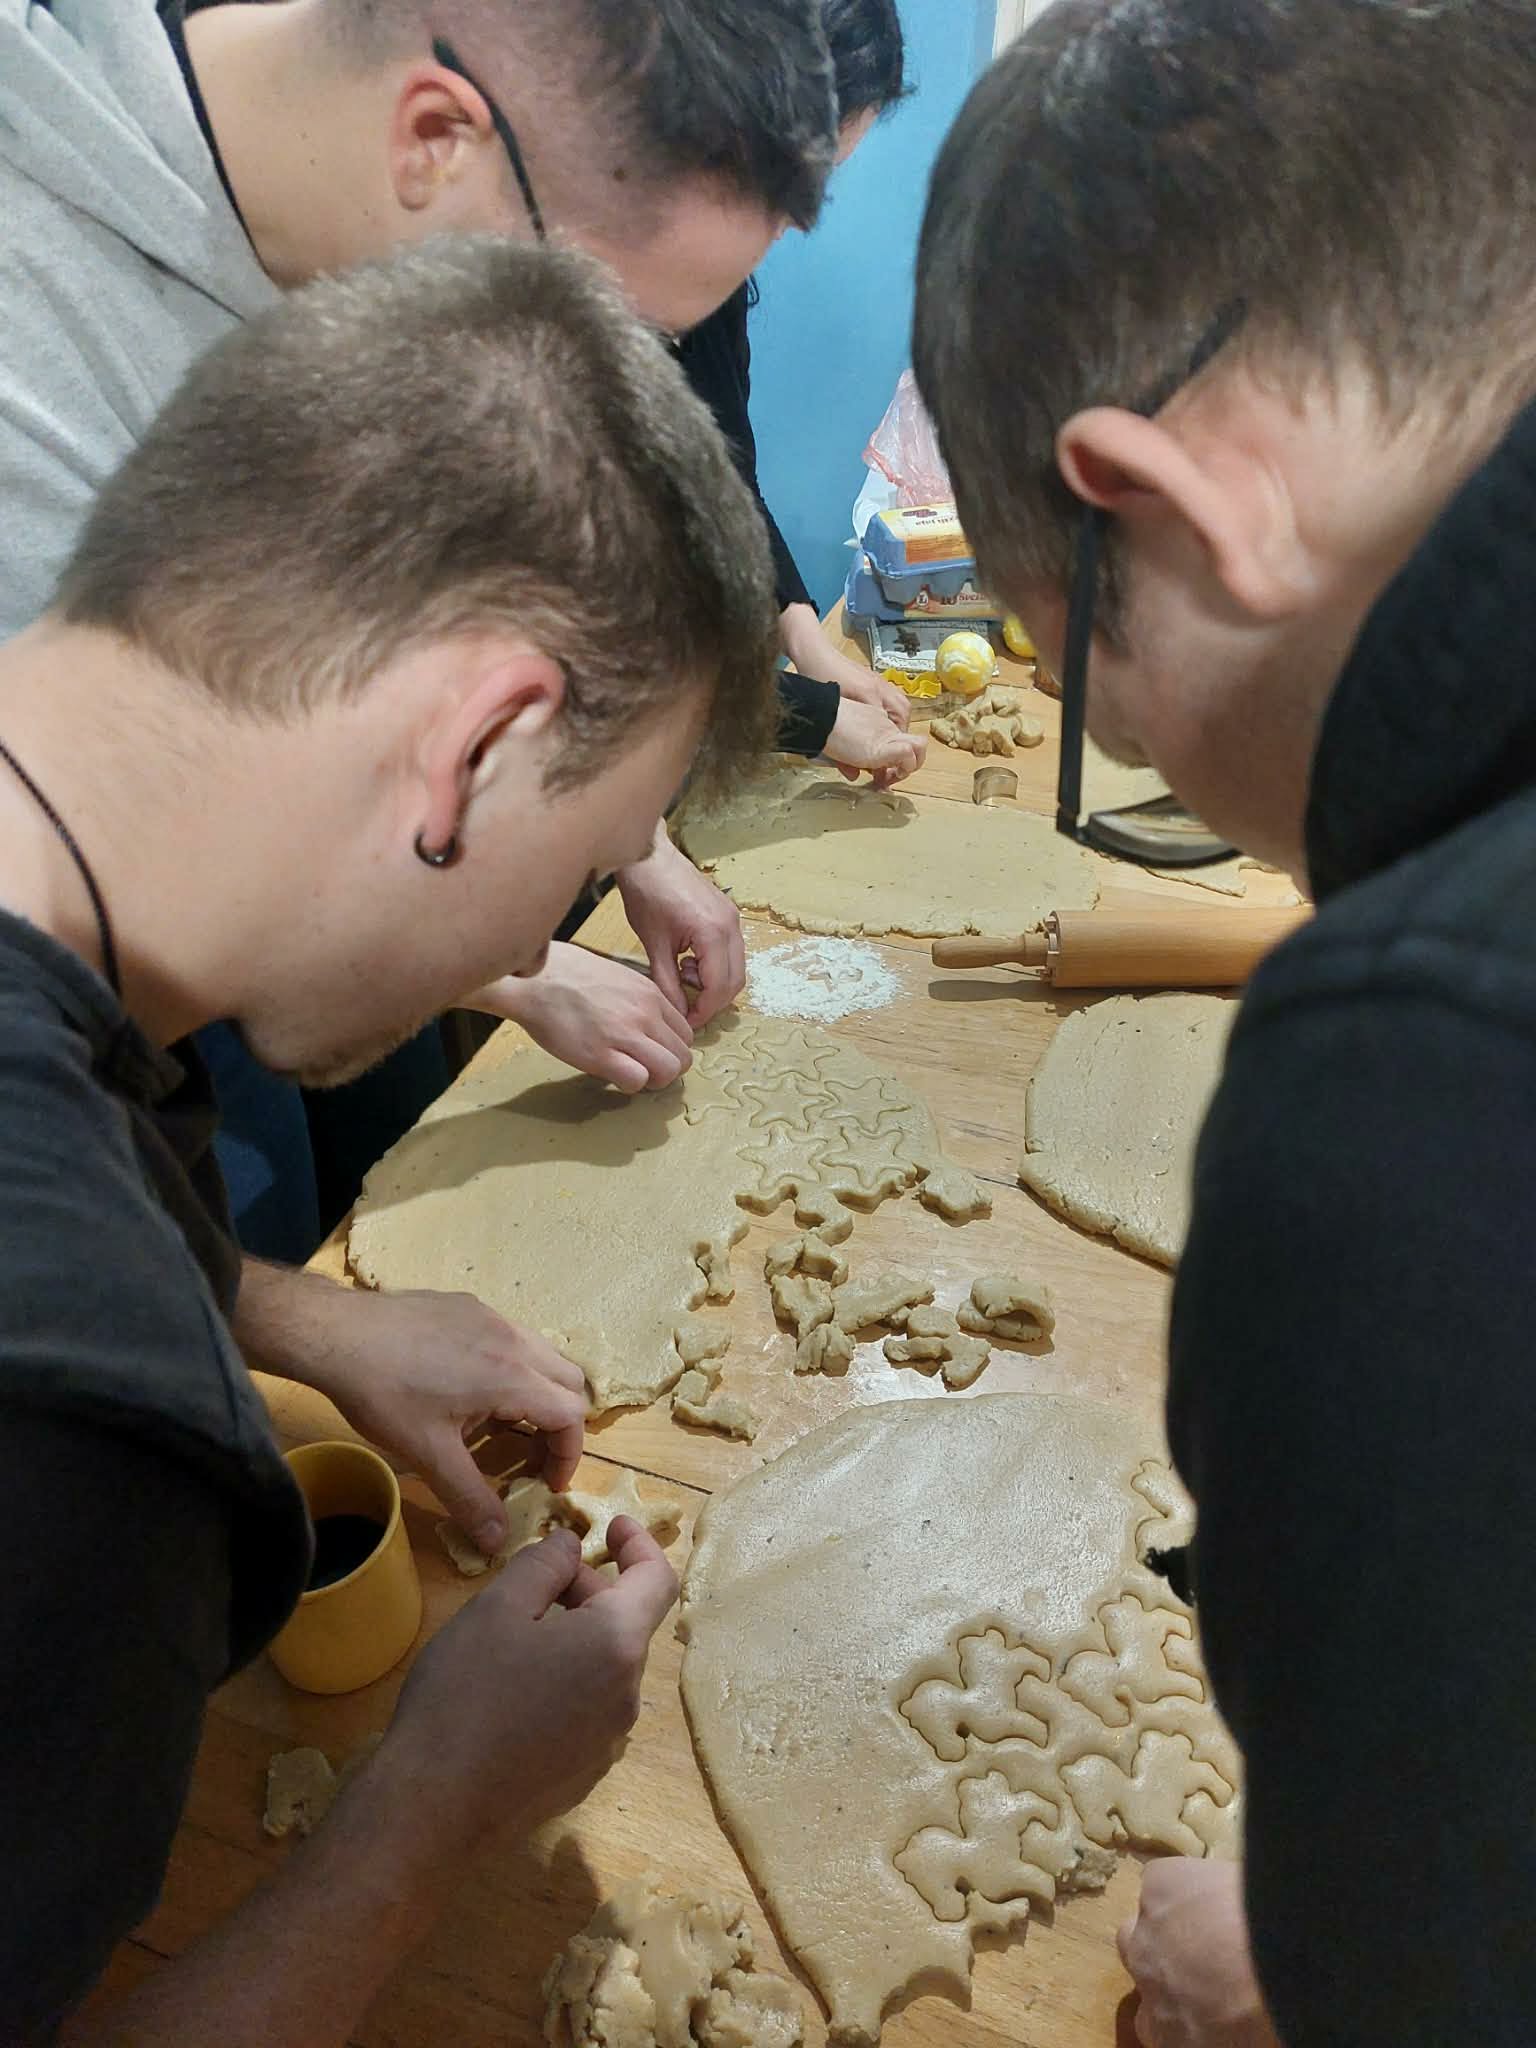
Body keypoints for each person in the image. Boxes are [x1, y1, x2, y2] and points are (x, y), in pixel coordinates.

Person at [0, 233, 779, 2041]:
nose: (547, 930)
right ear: (473, 746)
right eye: (589, 857)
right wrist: (429, 1810)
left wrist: (305, 1318)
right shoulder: (82, 1434)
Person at [913, 1, 1536, 2042]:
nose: (1153, 761)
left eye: (1085, 681)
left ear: (1166, 512)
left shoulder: (1415, 1070)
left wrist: (1318, 1959)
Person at [0, 0, 839, 1261]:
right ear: (434, 139)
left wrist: (624, 829)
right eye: (584, 314)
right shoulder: (35, 344)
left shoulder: (348, 232)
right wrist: (511, 961)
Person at [678, 0, 920, 783]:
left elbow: (724, 476)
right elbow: (575, 639)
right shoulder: (542, 298)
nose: (795, 222)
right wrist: (805, 716)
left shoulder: (711, 286)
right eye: (786, 179)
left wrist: (807, 642)